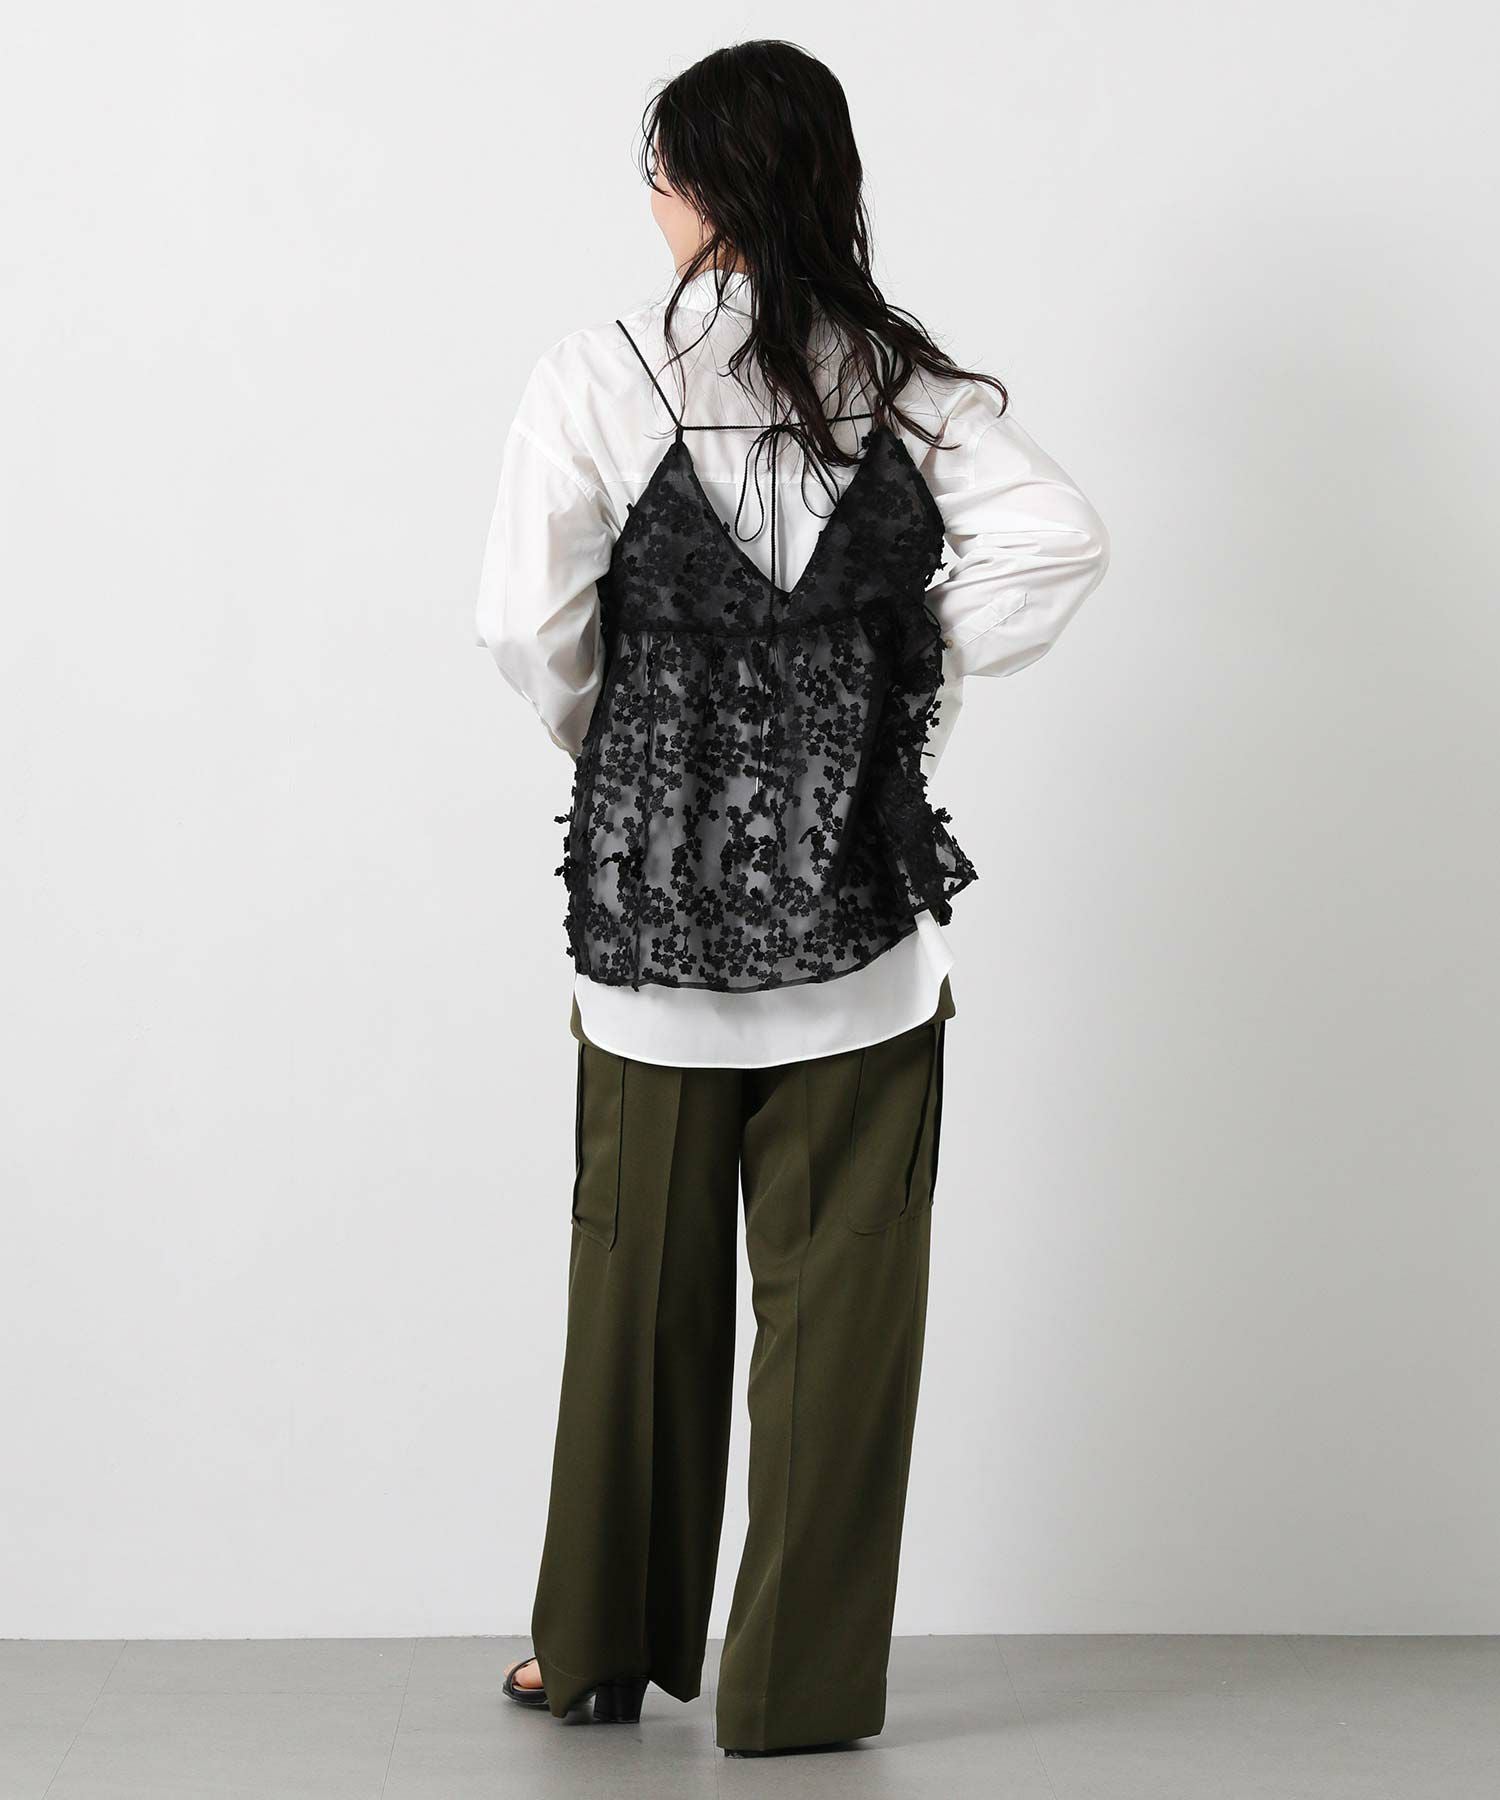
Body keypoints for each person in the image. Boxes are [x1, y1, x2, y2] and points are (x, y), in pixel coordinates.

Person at [475, 38, 1108, 1759]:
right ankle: (794, 1694)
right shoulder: (905, 387)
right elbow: (1058, 537)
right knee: (842, 1325)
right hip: (864, 945)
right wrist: (882, 692)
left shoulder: (596, 376)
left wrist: (648, 749)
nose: (653, 201)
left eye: (663, 171)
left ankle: (595, 1653)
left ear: (702, 187)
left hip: (652, 941)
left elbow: (526, 627)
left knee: (634, 1301)